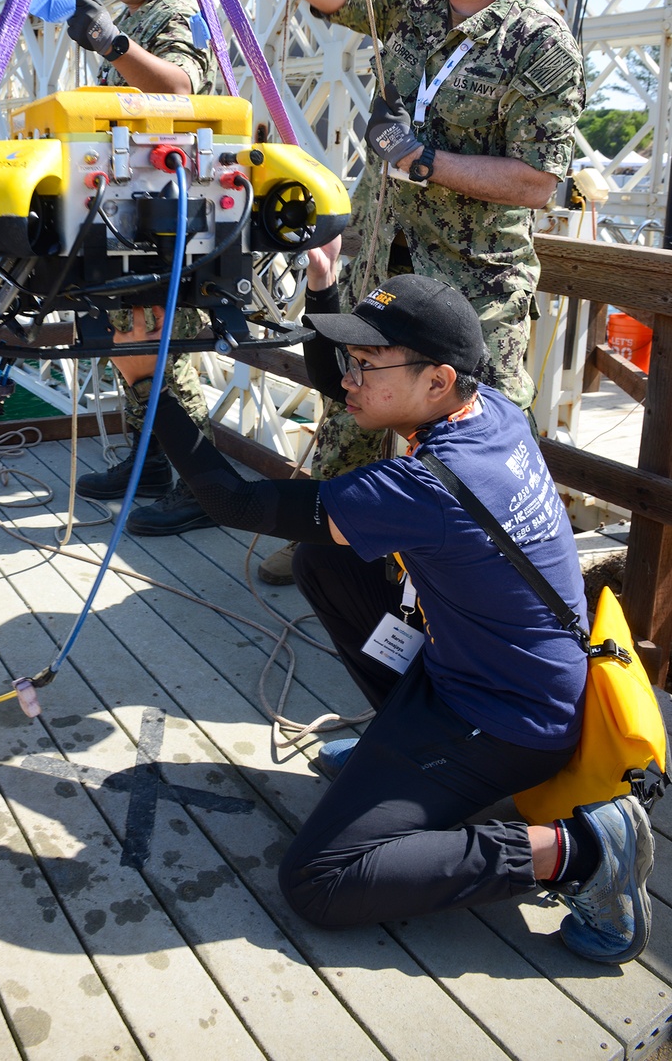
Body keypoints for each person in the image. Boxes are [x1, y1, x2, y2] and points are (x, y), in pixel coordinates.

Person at [110, 280, 655, 962]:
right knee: (324, 563)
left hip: (506, 721)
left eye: (368, 365)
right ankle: (397, 755)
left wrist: (151, 384)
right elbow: (343, 384)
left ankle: (580, 849)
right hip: (488, 672)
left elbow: (230, 499)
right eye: (352, 360)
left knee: (320, 881)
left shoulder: (428, 489)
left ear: (438, 380)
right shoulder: (492, 412)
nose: (348, 379)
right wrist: (323, 284)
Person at [258, 0, 585, 586]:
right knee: (353, 412)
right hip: (385, 270)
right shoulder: (415, 1)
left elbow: (539, 181)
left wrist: (425, 159)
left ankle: (470, 602)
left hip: (472, 296)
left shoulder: (542, 45)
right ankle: (323, 549)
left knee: (477, 452)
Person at [65, 0, 219, 537]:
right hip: (136, 200)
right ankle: (152, 464)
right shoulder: (137, 13)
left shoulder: (175, 11)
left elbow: (182, 87)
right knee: (133, 332)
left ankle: (204, 486)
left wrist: (114, 41)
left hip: (172, 206)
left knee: (160, 343)